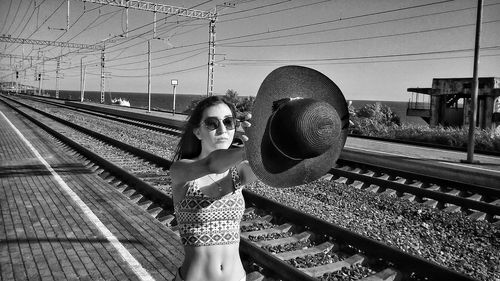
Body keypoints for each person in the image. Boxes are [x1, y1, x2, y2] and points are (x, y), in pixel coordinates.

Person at [170, 95, 257, 281]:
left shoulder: (238, 173)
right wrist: (248, 151)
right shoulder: (181, 171)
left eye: (228, 122)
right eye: (212, 123)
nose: (222, 129)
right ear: (198, 132)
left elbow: (272, 171)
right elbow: (212, 164)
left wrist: (264, 137)